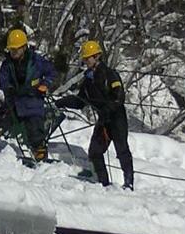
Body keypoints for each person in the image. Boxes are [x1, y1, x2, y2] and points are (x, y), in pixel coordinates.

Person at [55, 40, 135, 190]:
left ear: (97, 56)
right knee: (95, 152)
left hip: (117, 118)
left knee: (122, 149)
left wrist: (107, 108)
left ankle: (129, 183)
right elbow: (80, 101)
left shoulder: (111, 74)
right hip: (104, 120)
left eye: (88, 58)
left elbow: (119, 97)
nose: (86, 61)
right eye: (84, 59)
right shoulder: (88, 81)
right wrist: (61, 102)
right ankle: (104, 183)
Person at [0, 29, 57, 160]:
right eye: (11, 50)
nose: (13, 53)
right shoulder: (7, 64)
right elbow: (4, 82)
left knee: (35, 132)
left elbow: (52, 72)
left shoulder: (37, 61)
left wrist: (46, 84)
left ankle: (40, 156)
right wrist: (9, 89)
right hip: (14, 103)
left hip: (33, 101)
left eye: (16, 50)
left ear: (24, 47)